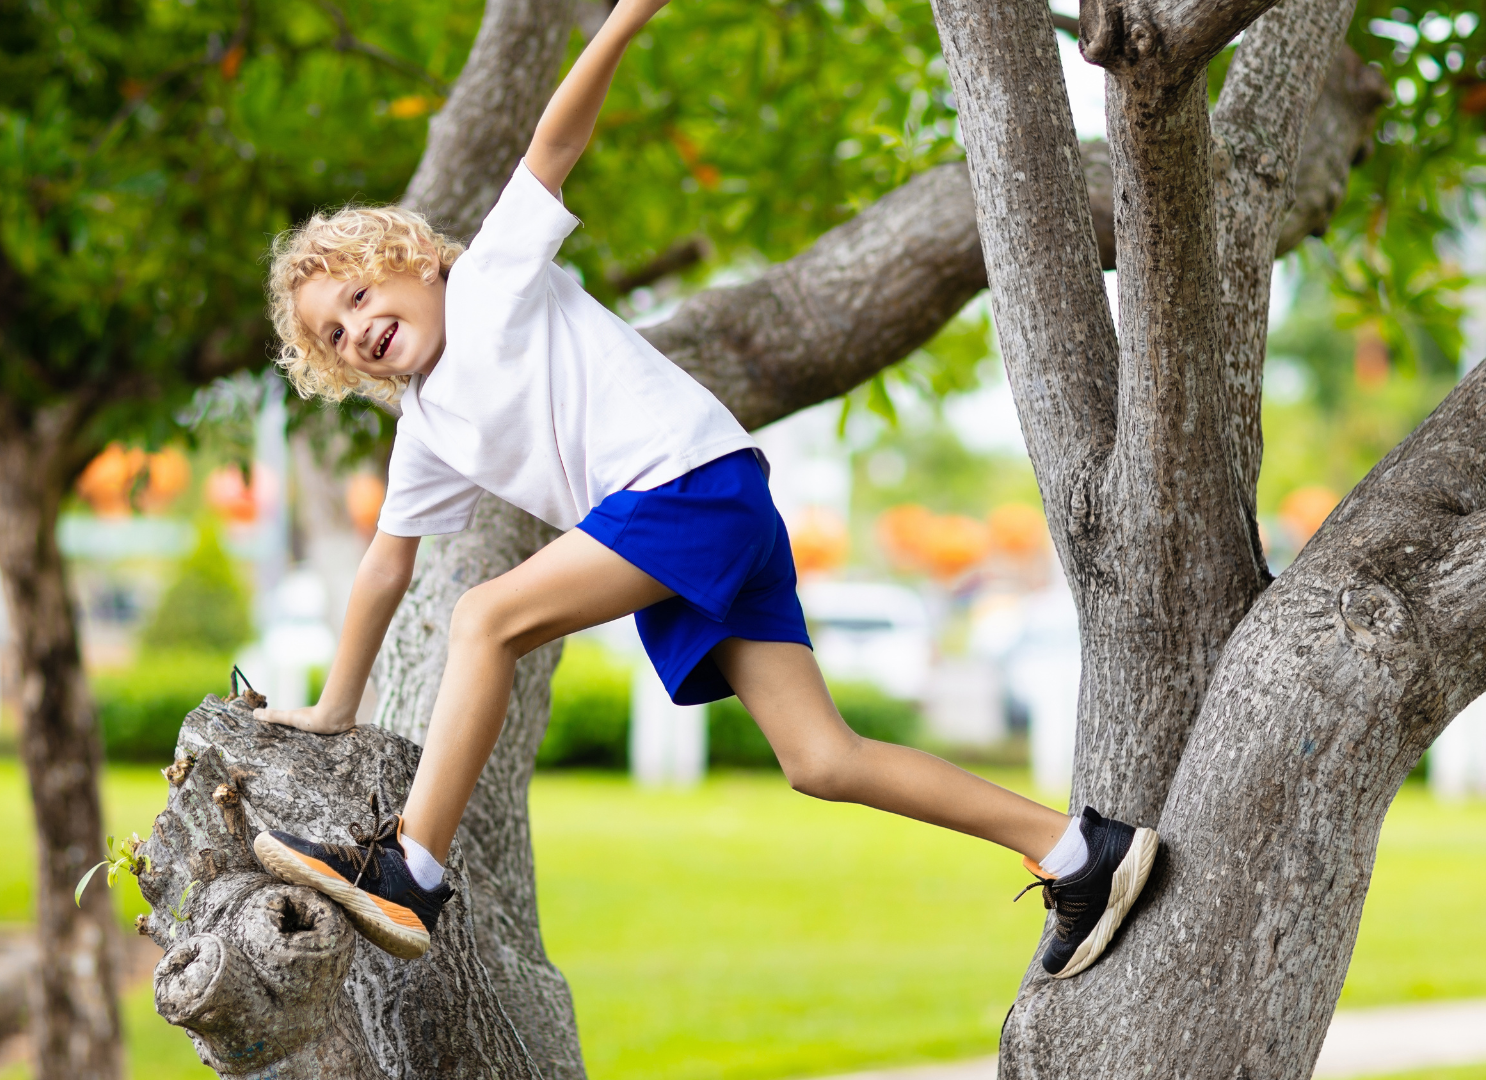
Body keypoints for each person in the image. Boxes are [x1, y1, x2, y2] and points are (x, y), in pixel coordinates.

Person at [248, 0, 1157, 981]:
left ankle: (410, 870)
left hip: (688, 490)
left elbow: (553, 141)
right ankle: (1083, 854)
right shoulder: (426, 425)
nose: (359, 327)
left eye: (361, 293)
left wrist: (628, 18)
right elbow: (386, 564)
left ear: (418, 263)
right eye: (335, 337)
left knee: (485, 617)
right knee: (819, 760)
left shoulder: (487, 283)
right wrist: (336, 708)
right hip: (694, 522)